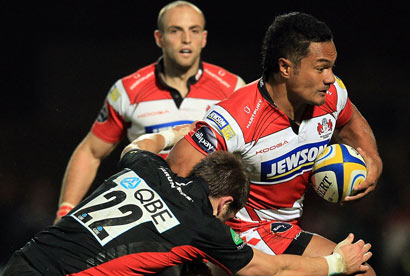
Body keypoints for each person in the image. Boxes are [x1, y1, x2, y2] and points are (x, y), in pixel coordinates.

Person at [166, 12, 383, 275]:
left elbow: (349, 122)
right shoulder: (236, 118)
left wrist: (373, 159)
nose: (329, 78)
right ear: (285, 68)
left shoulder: (331, 94)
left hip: (285, 229)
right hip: (241, 231)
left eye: (331, 68)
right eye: (321, 68)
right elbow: (176, 170)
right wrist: (201, 241)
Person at [2, 126, 373, 276]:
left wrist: (185, 132)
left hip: (25, 258)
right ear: (226, 203)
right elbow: (272, 269)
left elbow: (138, 144)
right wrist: (338, 262)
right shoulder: (202, 225)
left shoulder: (144, 165)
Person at [54, 0, 245, 222]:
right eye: (175, 31)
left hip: (208, 218)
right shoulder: (127, 91)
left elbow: (250, 155)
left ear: (203, 38)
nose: (186, 39)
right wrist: (64, 211)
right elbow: (91, 152)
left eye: (194, 31)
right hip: (145, 217)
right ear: (159, 38)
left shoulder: (233, 88)